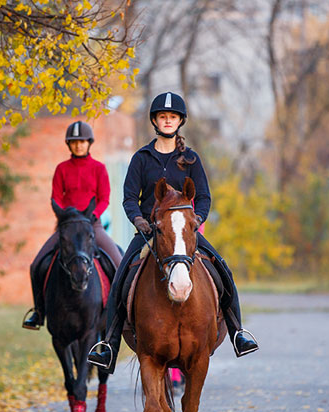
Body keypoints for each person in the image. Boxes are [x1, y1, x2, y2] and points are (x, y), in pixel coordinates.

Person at [87, 92, 259, 373]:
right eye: (163, 117)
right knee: (120, 278)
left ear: (180, 121)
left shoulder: (190, 159)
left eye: (173, 117)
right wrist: (138, 220)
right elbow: (129, 197)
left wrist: (196, 219)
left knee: (223, 269)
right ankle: (108, 344)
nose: (168, 121)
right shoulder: (142, 158)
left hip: (184, 231)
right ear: (155, 120)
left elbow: (203, 196)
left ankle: (239, 332)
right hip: (149, 231)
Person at [22, 121, 123, 330]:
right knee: (36, 265)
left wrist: (92, 216)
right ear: (69, 145)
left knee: (118, 263)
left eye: (82, 141)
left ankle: (122, 313)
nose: (78, 145)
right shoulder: (61, 169)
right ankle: (39, 313)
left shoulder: (99, 168)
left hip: (92, 226)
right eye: (74, 142)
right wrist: (65, 217)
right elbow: (56, 198)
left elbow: (105, 198)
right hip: (66, 228)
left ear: (89, 143)